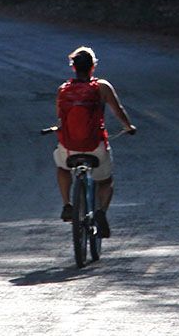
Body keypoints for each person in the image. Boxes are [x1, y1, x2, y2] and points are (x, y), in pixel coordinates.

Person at [53, 46, 136, 238]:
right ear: (93, 67)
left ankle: (67, 204)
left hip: (69, 146)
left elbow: (60, 118)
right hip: (95, 145)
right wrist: (128, 126)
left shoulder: (63, 89)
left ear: (73, 67)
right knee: (106, 181)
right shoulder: (102, 87)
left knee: (62, 168)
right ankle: (100, 212)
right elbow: (118, 110)